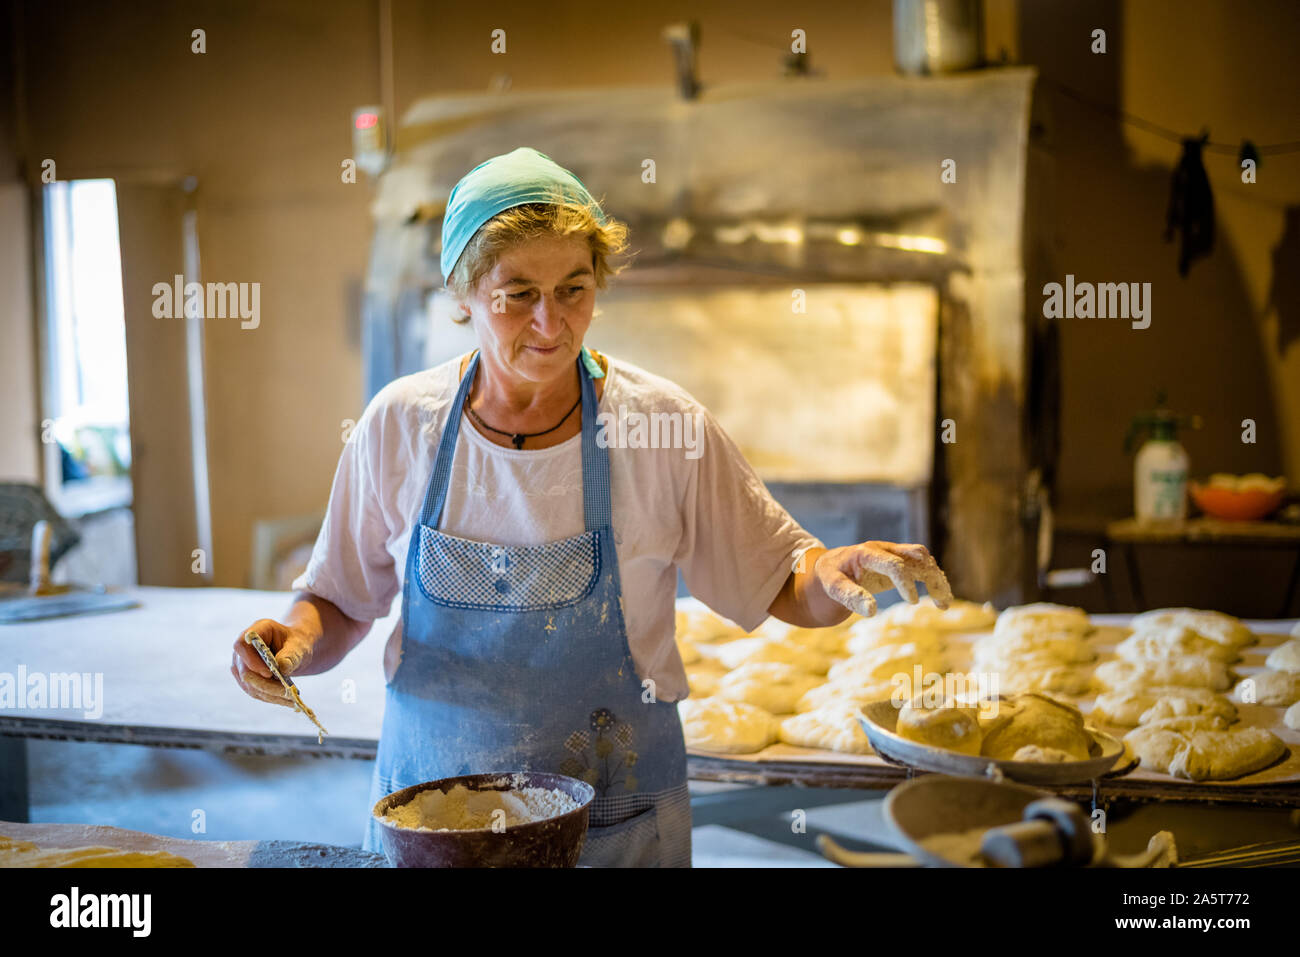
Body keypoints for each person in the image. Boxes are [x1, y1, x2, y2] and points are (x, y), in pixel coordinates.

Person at [231, 146, 953, 867]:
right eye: (517, 294)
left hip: (614, 827)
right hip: (432, 828)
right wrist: (291, 644)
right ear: (463, 294)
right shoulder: (401, 423)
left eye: (573, 288)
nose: (550, 323)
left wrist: (834, 568)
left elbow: (780, 581)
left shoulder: (661, 426)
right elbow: (340, 599)